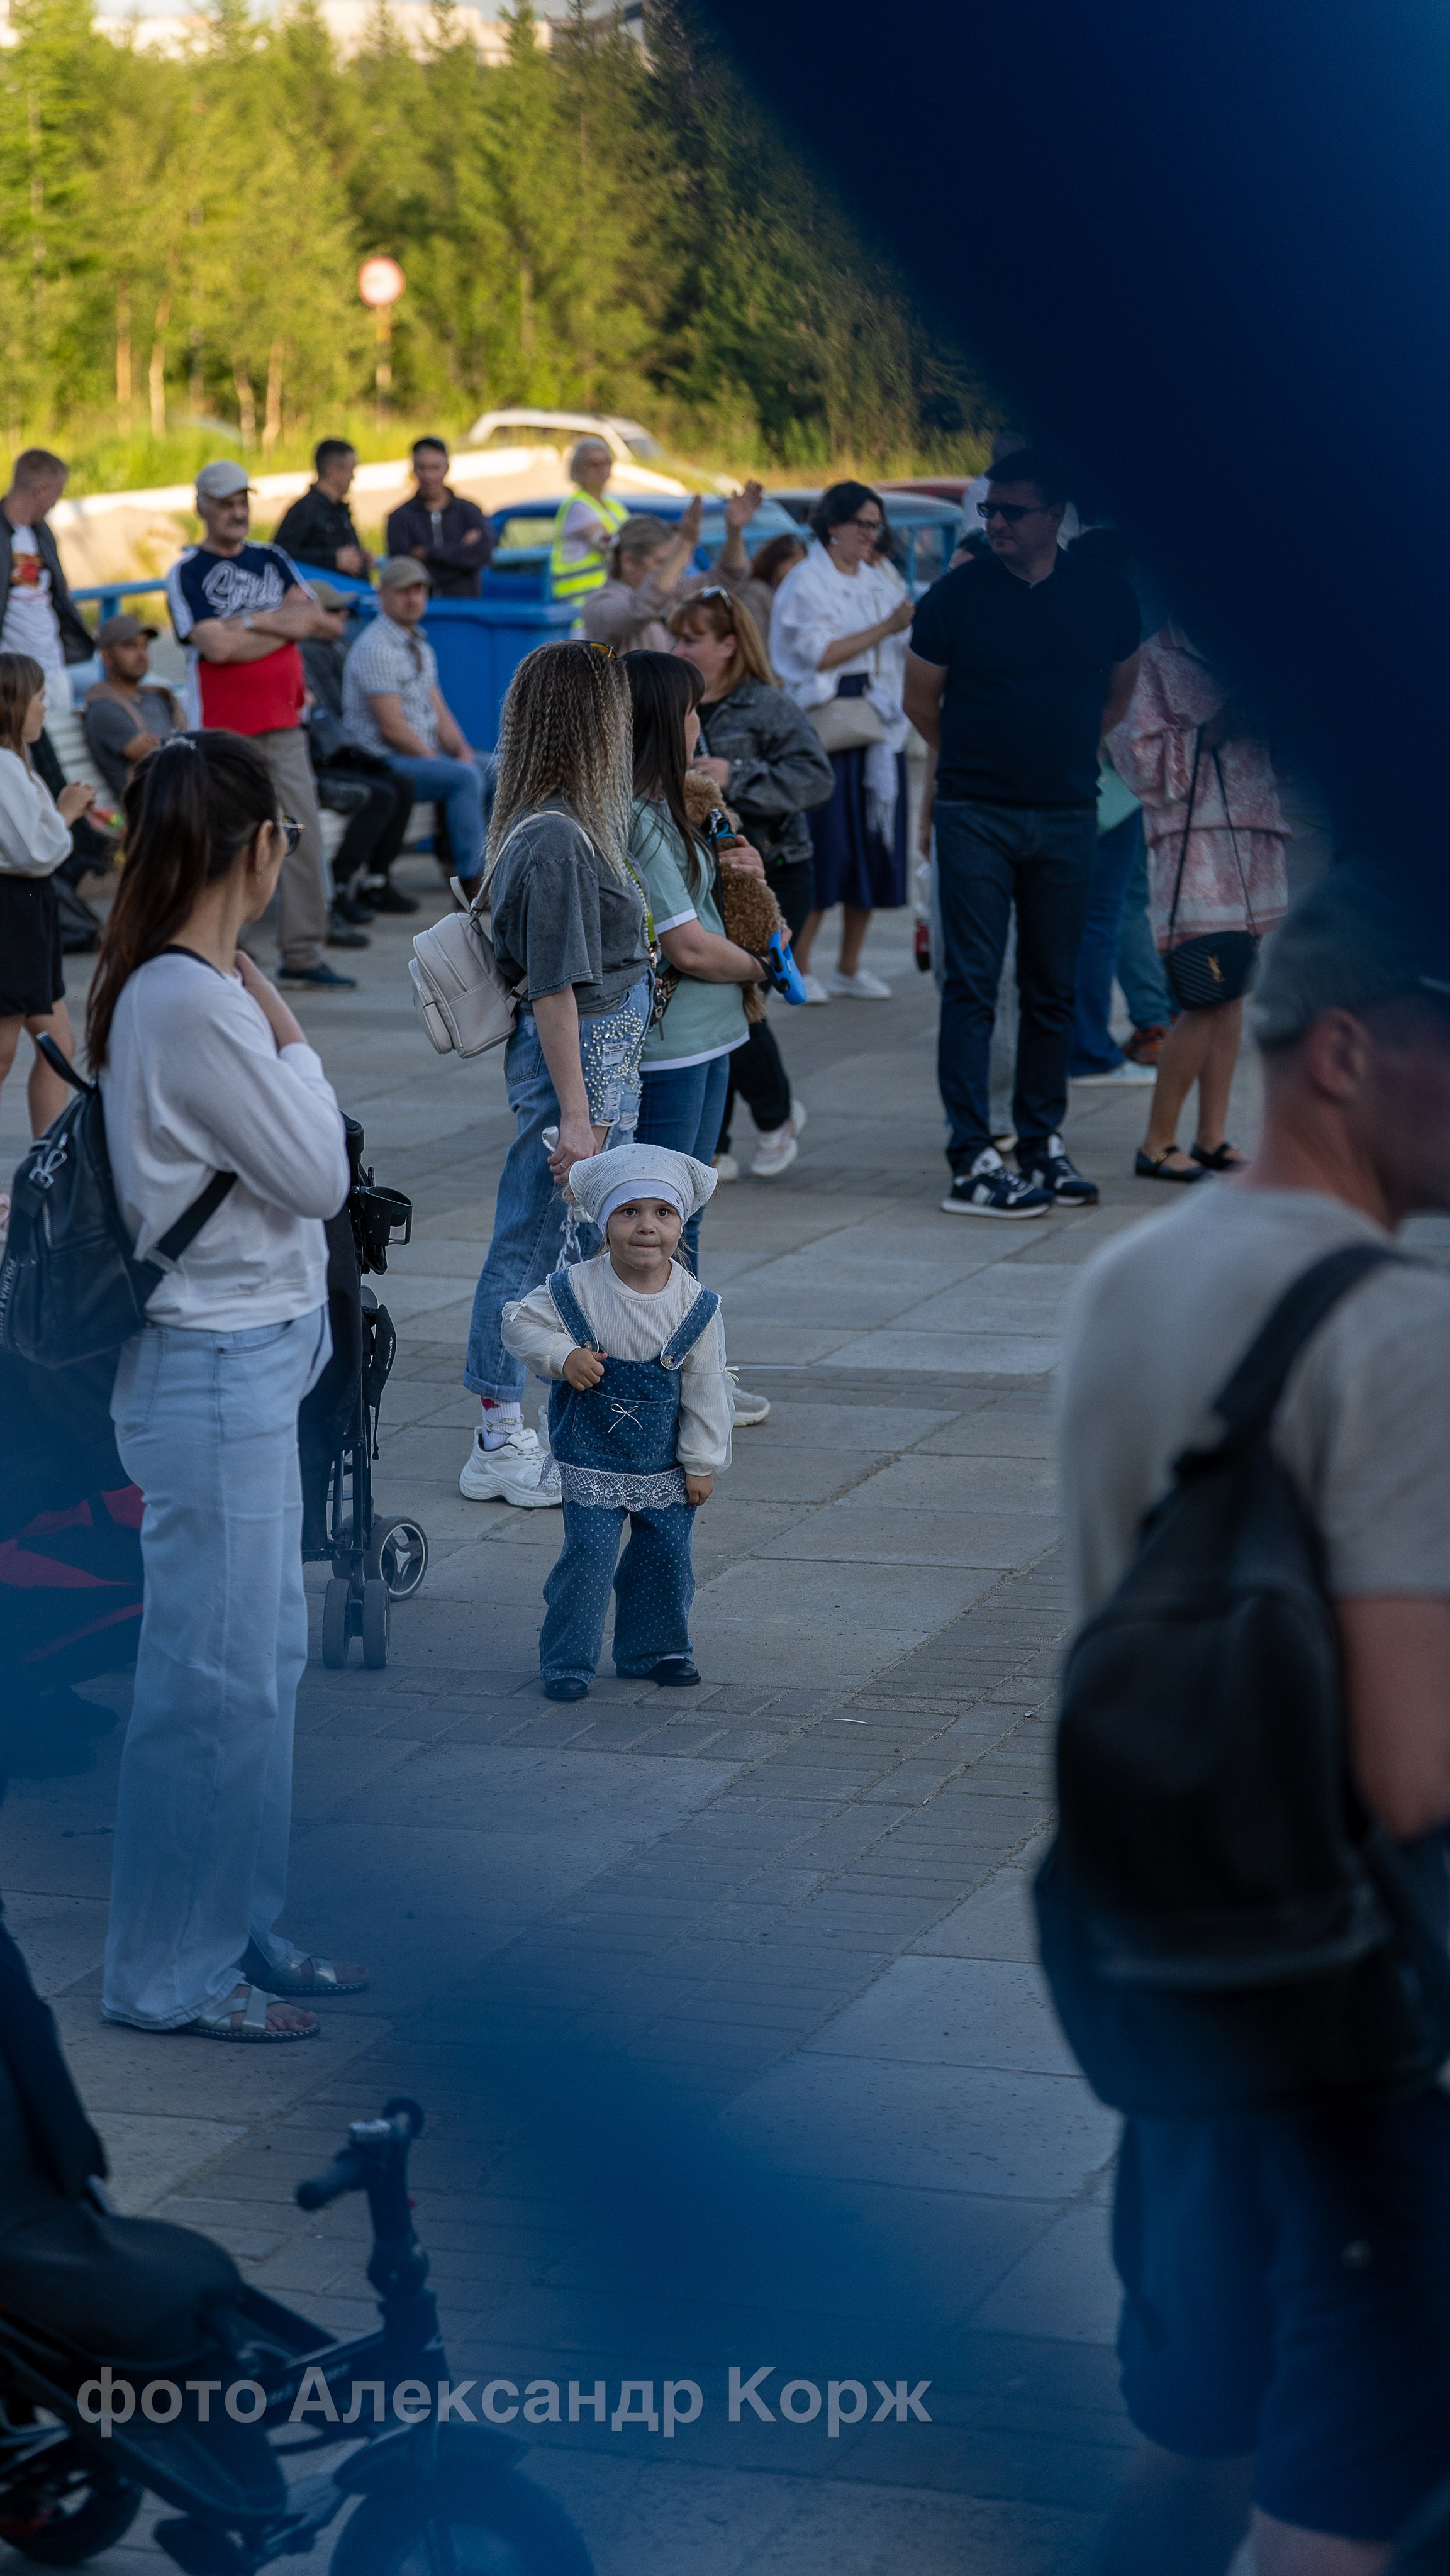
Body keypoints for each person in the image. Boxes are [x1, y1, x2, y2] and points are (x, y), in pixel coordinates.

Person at [1059, 867, 1450, 2576]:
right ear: (1354, 1055)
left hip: (1172, 1990)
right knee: (1335, 2512)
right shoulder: (1398, 1333)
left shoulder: (1134, 1278)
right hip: (1359, 2032)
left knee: (1190, 2451)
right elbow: (1407, 1769)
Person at [88, 729, 361, 2042]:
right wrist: (296, 1036)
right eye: (286, 841)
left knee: (260, 1661)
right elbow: (317, 1172)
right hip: (211, 1366)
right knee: (209, 1678)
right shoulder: (194, 999)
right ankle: (167, 1970)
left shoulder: (193, 982)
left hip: (246, 1356)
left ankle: (232, 1926)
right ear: (259, 845)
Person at [903, 445, 1141, 1217]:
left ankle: (1041, 1141)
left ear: (1054, 517)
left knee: (1054, 986)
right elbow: (920, 704)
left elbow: (1118, 693)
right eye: (988, 510)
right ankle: (972, 1152)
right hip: (975, 811)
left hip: (1068, 811)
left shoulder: (1104, 595)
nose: (995, 522)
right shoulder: (956, 595)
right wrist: (982, 762)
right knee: (972, 985)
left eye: (1011, 511)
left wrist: (1063, 752)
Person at [459, 641, 652, 1509]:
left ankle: (557, 1423)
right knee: (530, 1245)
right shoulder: (557, 840)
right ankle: (498, 1438)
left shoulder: (561, 826)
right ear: (590, 723)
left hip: (593, 1074)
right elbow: (554, 991)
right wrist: (576, 1117)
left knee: (568, 1249)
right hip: (573, 1074)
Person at [501, 1145, 731, 1703]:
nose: (646, 1228)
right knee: (588, 1561)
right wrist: (562, 1355)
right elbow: (517, 1323)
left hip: (666, 1463)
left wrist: (702, 1462)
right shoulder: (575, 1287)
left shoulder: (696, 1304)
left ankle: (656, 1650)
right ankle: (568, 1659)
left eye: (662, 1213)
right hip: (591, 1456)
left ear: (681, 1222)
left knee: (666, 1560)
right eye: (629, 1213)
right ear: (604, 1223)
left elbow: (706, 1385)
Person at [1110, 623, 1288, 1182]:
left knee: (1232, 992)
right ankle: (1157, 1141)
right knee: (1204, 994)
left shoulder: (1251, 652)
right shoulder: (1155, 658)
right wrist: (1206, 735)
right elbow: (1132, 755)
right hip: (1195, 837)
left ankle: (1211, 1135)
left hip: (1253, 827)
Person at [166, 459, 353, 992]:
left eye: (242, 501)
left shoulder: (272, 558)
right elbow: (215, 647)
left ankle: (303, 954)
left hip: (284, 723)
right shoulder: (188, 571)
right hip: (225, 734)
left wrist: (249, 622)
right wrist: (277, 625)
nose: (237, 512)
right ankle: (224, 953)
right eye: (225, 503)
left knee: (302, 836)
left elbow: (315, 619)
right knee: (229, 843)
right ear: (202, 506)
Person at [668, 584, 834, 1176]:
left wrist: (736, 775)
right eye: (676, 637)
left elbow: (815, 779)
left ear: (730, 645)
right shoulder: (674, 702)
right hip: (706, 881)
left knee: (735, 998)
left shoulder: (766, 705)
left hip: (775, 877)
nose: (679, 647)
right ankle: (718, 1143)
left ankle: (771, 1114)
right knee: (713, 1002)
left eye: (693, 639)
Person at [623, 648, 769, 1265]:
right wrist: (765, 968)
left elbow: (704, 908)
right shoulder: (640, 819)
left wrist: (744, 865)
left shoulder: (673, 805)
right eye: (689, 708)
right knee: (661, 1225)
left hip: (710, 1035)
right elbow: (687, 947)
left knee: (687, 1212)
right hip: (673, 1044)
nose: (698, 721)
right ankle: (654, 1359)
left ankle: (679, 1353)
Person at [769, 480, 913, 1002]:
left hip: (879, 721)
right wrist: (884, 628)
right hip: (831, 723)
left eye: (877, 527)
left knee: (874, 846)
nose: (871, 537)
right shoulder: (808, 581)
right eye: (863, 525)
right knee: (827, 848)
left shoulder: (879, 574)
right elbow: (818, 656)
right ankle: (802, 963)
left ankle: (850, 965)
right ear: (833, 525)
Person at [342, 558, 485, 892]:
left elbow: (439, 710)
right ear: (383, 595)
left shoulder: (419, 642)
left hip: (421, 755)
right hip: (383, 763)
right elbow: (391, 729)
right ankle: (471, 879)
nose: (414, 599)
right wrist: (441, 761)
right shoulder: (376, 647)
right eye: (404, 591)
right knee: (464, 777)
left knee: (496, 769)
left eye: (419, 590)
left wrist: (461, 750)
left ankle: (488, 864)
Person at [0, 652, 96, 1138]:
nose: (45, 707)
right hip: (11, 914)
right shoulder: (3, 767)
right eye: (39, 698)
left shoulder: (18, 763)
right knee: (3, 1054)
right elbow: (34, 850)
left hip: (29, 915)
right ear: (14, 706)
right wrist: (68, 814)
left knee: (57, 1042)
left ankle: (48, 1166)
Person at [299, 582, 416, 919]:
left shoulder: (336, 648)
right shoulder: (305, 652)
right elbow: (325, 721)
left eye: (344, 610)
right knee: (377, 795)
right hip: (316, 763)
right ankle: (337, 888)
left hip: (340, 754)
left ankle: (376, 881)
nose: (344, 616)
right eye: (334, 610)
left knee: (401, 785)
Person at [581, 486, 764, 654]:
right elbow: (639, 610)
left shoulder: (670, 593)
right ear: (628, 561)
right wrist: (684, 544)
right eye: (662, 563)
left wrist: (734, 532)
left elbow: (729, 576)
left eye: (671, 564)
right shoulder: (600, 605)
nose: (672, 572)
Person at [0, 449, 92, 693]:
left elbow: (57, 596)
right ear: (40, 489)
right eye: (57, 494)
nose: (55, 503)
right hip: (14, 679)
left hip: (54, 667)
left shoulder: (42, 533)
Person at [82, 613, 181, 801]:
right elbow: (161, 758)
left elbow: (175, 748)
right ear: (106, 656)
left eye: (145, 646)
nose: (141, 655)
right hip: (155, 811)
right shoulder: (105, 709)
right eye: (130, 646)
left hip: (181, 796)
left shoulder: (156, 698)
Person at [384, 438, 492, 599]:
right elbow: (403, 570)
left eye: (435, 468)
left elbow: (482, 555)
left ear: (447, 468)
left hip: (465, 610)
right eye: (422, 468)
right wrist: (460, 553)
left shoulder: (470, 512)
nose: (428, 476)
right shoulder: (399, 518)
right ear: (413, 470)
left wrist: (427, 553)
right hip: (421, 611)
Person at [272, 439, 374, 580]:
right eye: (350, 470)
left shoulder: (340, 509)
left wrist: (360, 558)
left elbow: (342, 551)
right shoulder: (305, 510)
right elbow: (281, 554)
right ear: (333, 473)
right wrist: (332, 560)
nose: (353, 477)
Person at [549, 436, 631, 605]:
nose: (602, 469)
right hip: (580, 608)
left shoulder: (613, 505)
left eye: (607, 463)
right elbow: (608, 545)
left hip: (606, 600)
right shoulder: (578, 506)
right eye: (593, 464)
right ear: (577, 471)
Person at [735, 528, 807, 650]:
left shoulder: (796, 593)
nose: (799, 570)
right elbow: (757, 641)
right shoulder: (755, 592)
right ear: (777, 561)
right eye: (794, 563)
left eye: (803, 565)